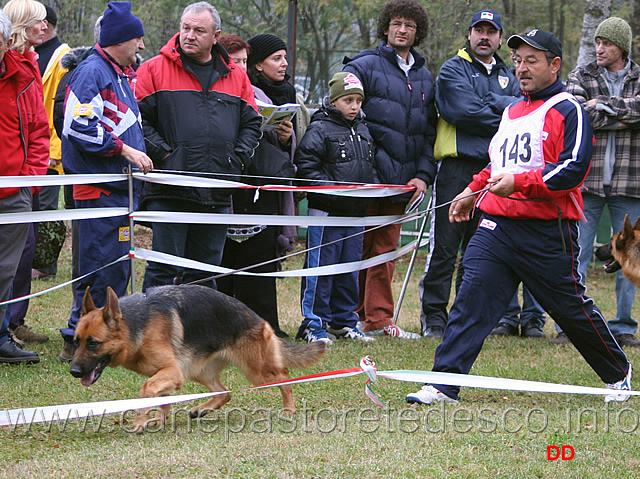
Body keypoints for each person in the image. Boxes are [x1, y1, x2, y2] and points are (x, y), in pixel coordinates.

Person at [406, 30, 633, 405]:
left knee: (570, 309)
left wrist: (520, 184)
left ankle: (618, 374)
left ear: (554, 65)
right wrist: (471, 190)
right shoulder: (511, 110)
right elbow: (498, 165)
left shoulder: (567, 109)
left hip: (546, 231)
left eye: (532, 61)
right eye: (517, 61)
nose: (522, 69)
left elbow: (572, 170)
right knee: (470, 300)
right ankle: (443, 384)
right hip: (496, 225)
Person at [135, 1, 261, 291]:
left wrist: (237, 159)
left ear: (216, 36)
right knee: (163, 269)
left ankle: (201, 335)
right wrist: (167, 156)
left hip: (217, 189)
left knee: (205, 272)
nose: (189, 35)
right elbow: (139, 122)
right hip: (170, 188)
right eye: (185, 28)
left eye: (198, 30)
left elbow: (252, 124)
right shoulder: (153, 69)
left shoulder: (236, 75)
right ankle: (150, 333)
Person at [418, 9, 522, 339]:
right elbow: (461, 111)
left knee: (479, 249)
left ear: (500, 38)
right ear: (469, 34)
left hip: (495, 173)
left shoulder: (510, 73)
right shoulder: (453, 68)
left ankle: (465, 317)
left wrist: (487, 102)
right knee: (445, 248)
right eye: (479, 29)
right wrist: (501, 108)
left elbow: (520, 112)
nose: (485, 36)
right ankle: (434, 317)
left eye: (491, 31)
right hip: (457, 168)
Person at [59, 1, 152, 362]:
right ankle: (77, 341)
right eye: (137, 39)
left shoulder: (119, 73)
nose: (141, 46)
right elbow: (77, 126)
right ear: (120, 39)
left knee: (116, 267)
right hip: (98, 192)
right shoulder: (92, 72)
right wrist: (125, 150)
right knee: (98, 267)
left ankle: (105, 338)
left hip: (119, 193)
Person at [343, 0, 436, 339]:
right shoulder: (363, 66)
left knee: (385, 253)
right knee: (357, 248)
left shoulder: (426, 76)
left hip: (403, 182)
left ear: (417, 31)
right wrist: (365, 168)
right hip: (366, 179)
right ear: (385, 27)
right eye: (397, 23)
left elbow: (430, 131)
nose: (402, 29)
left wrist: (423, 175)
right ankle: (347, 318)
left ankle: (379, 321)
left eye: (409, 25)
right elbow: (344, 116)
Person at [559, 17, 640, 347]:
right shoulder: (581, 74)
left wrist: (603, 105)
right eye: (597, 42)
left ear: (621, 47)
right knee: (575, 254)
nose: (600, 48)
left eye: (606, 43)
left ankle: (624, 325)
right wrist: (624, 119)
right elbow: (576, 113)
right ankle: (571, 324)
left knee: (632, 257)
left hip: (630, 182)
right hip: (587, 182)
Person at [216, 33, 296, 338]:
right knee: (226, 259)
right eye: (234, 61)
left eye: (243, 61)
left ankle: (264, 324)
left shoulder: (280, 93)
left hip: (264, 185)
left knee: (260, 260)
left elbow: (289, 150)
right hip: (232, 183)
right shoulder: (226, 90)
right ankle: (225, 323)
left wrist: (286, 136)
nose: (284, 64)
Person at [294, 72, 377, 344]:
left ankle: (344, 321)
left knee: (349, 270)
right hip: (327, 213)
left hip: (355, 214)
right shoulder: (320, 129)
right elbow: (306, 165)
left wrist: (372, 189)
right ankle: (314, 323)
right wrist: (332, 191)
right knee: (322, 270)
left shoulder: (364, 130)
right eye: (348, 100)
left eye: (358, 101)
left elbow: (369, 167)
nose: (354, 106)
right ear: (334, 101)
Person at [0, 9, 49, 364]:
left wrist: (28, 180)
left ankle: (2, 335)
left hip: (14, 189)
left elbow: (37, 131)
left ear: (5, 41)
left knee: (6, 268)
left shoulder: (23, 75)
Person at [30, 4, 69, 281]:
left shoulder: (62, 58)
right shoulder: (30, 54)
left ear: (44, 24)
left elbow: (62, 108)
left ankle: (45, 265)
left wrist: (55, 150)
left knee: (46, 208)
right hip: (31, 147)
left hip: (50, 151)